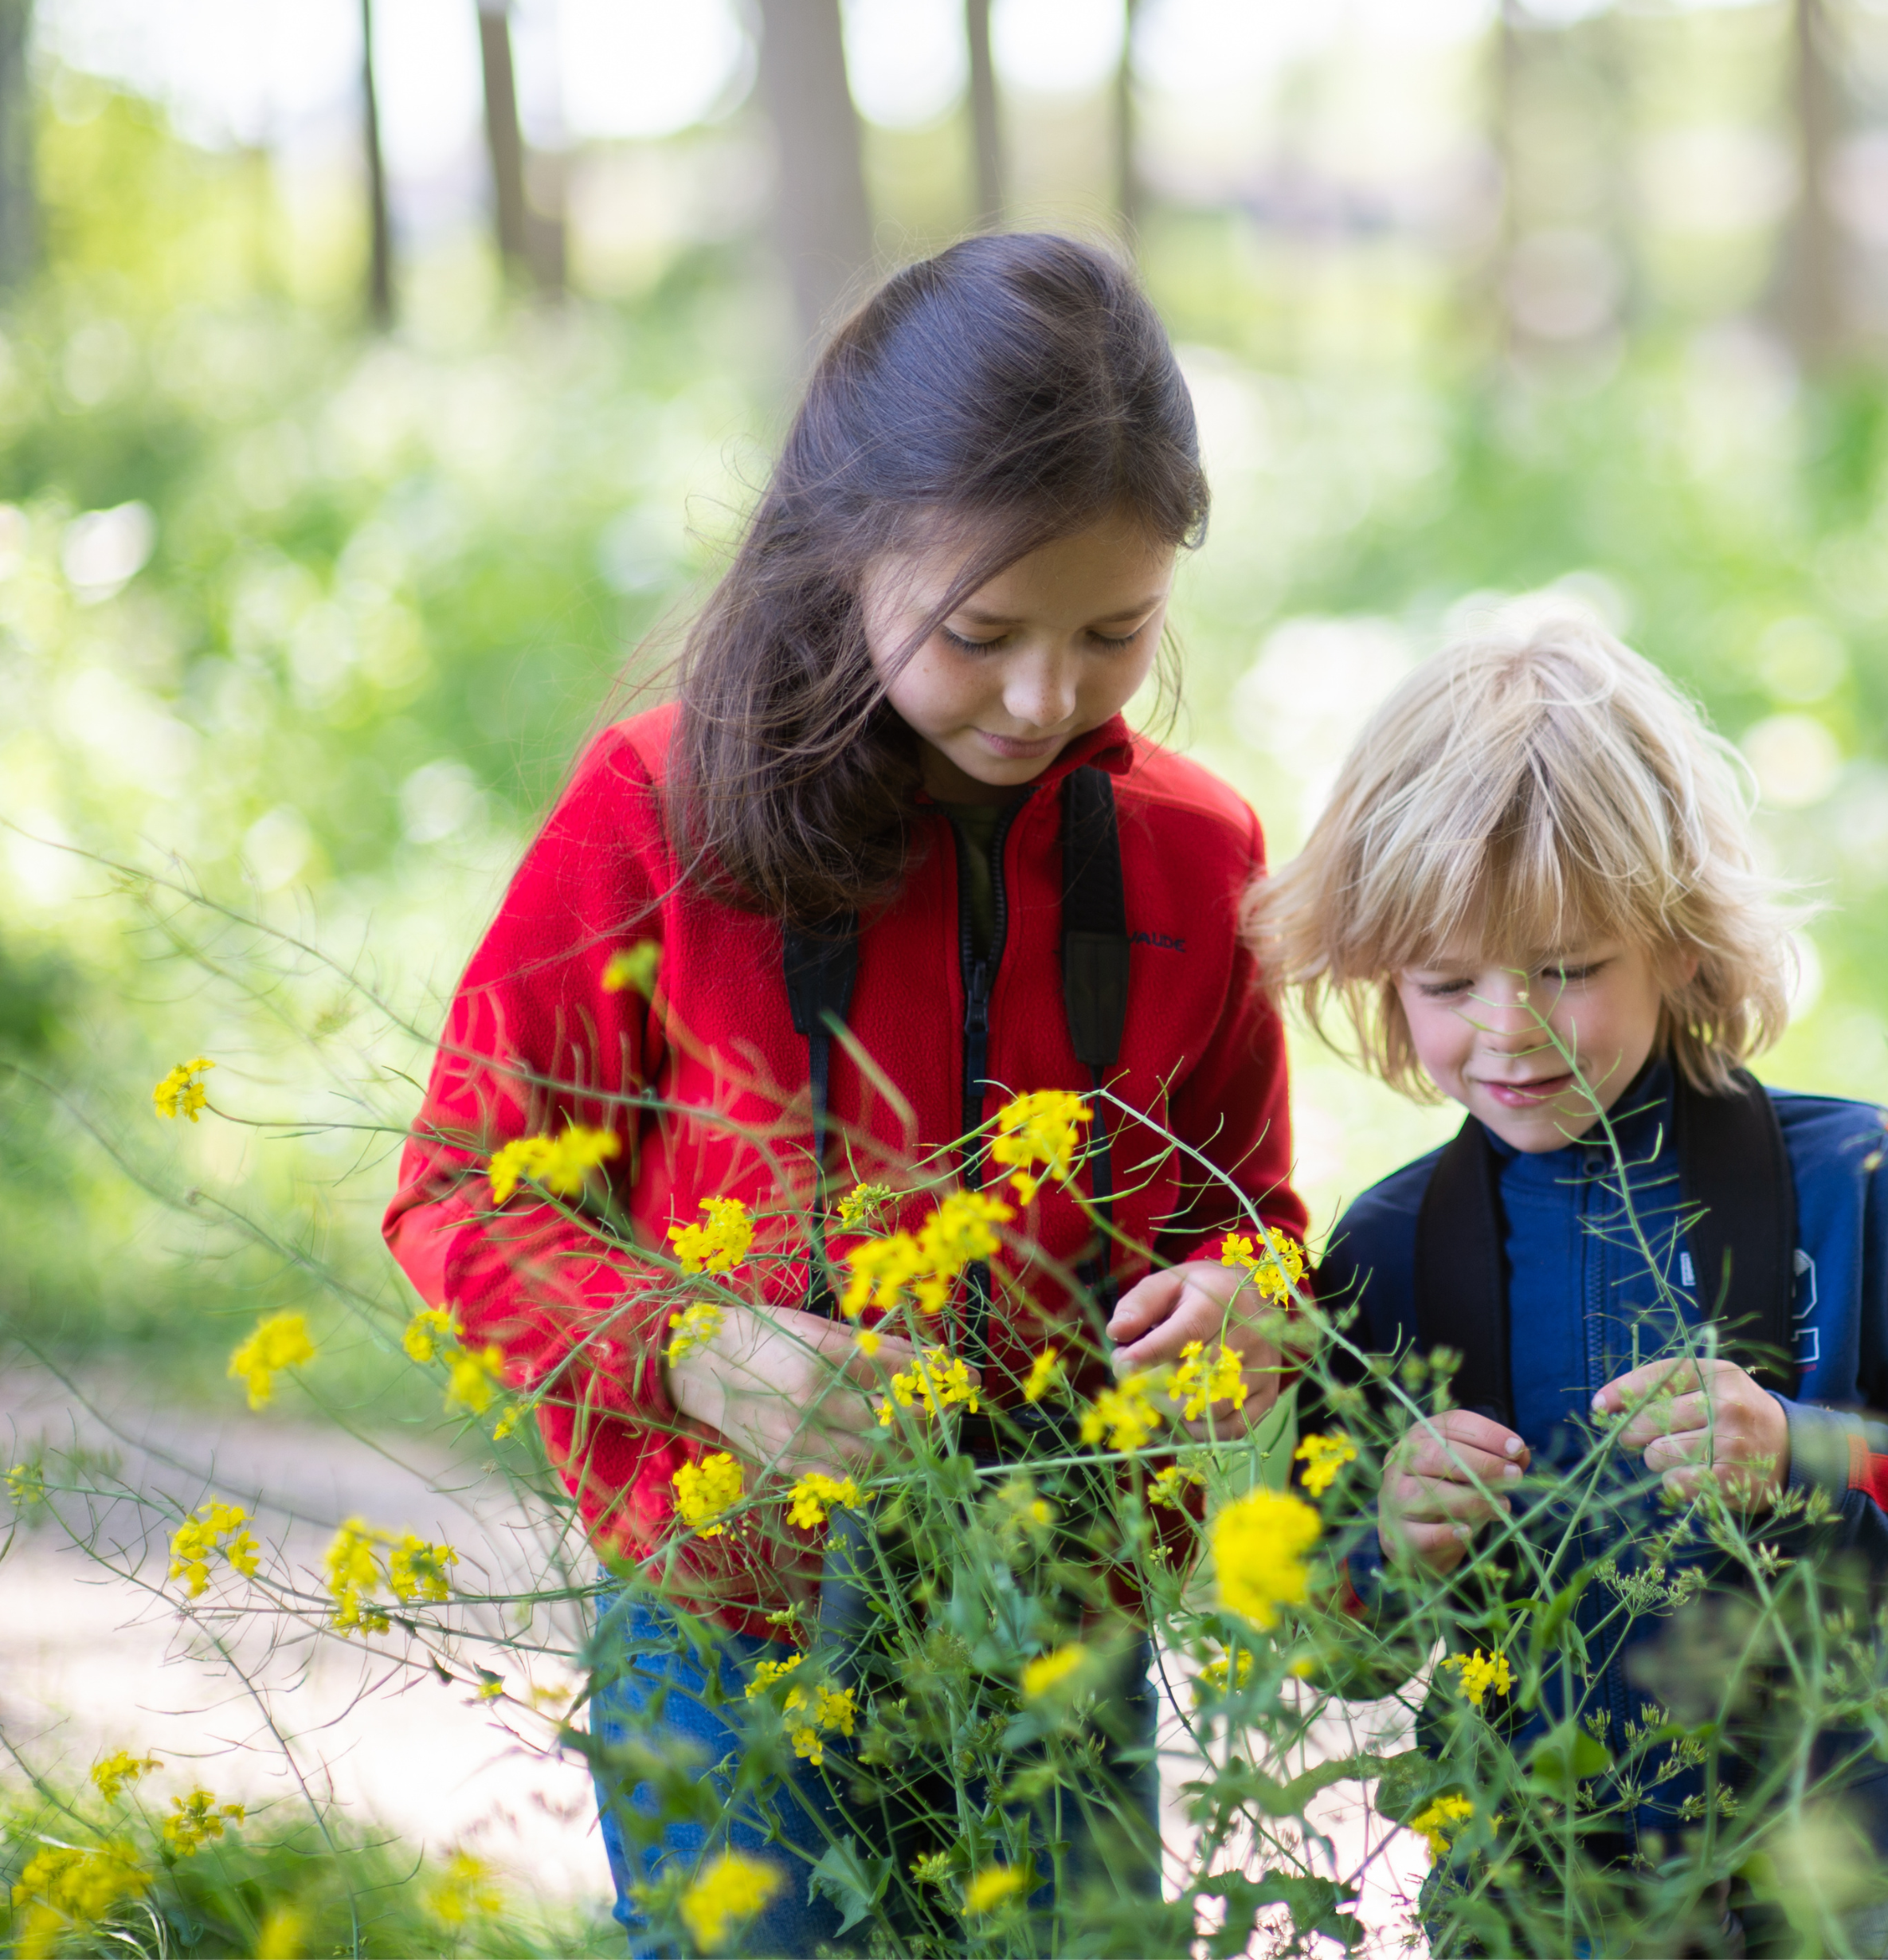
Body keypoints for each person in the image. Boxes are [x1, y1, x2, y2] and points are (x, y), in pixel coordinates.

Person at [380, 233, 1305, 1956]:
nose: (1046, 698)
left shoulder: (1198, 851)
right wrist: (700, 1348)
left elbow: (1247, 1211)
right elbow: (456, 1200)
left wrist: (1247, 1301)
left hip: (1060, 1630)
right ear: (842, 548)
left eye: (1116, 633)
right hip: (729, 1648)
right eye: (981, 633)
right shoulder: (652, 815)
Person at [1249, 600, 1888, 1959]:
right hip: (1517, 1901)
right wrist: (1389, 1544)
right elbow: (1326, 1641)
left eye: (1567, 971)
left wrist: (1809, 1458)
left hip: (1812, 1895)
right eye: (1447, 982)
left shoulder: (1853, 1178)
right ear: (1378, 977)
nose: (1509, 1031)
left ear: (1681, 941)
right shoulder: (1389, 1247)